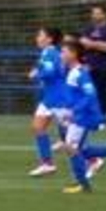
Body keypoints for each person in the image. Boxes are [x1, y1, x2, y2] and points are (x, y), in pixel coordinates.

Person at [52, 38, 106, 194]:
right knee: (82, 151)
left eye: (64, 52)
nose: (61, 55)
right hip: (78, 117)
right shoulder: (72, 71)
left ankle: (82, 184)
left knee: (72, 150)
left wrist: (74, 110)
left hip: (81, 118)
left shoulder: (79, 73)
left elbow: (90, 95)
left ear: (73, 54)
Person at [27, 26, 67, 177]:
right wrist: (38, 69)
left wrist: (37, 74)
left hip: (57, 98)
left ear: (49, 39)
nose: (37, 38)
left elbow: (50, 73)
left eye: (40, 35)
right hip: (49, 98)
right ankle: (47, 164)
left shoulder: (50, 52)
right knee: (37, 127)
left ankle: (95, 157)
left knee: (72, 137)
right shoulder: (48, 53)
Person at [78, 4, 106, 129]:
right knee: (88, 92)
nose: (95, 15)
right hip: (88, 66)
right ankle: (95, 118)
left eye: (98, 13)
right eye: (93, 13)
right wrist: (99, 44)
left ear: (104, 14)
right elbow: (82, 42)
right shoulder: (88, 28)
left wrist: (92, 44)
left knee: (101, 93)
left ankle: (104, 118)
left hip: (103, 66)